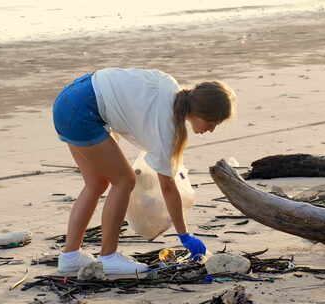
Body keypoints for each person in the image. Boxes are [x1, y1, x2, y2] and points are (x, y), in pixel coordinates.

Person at [52, 68, 236, 274]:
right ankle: (108, 257)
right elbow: (168, 187)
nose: (211, 130)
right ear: (201, 113)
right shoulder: (167, 126)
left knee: (96, 184)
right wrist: (184, 235)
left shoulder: (168, 84)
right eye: (213, 123)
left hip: (71, 98)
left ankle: (70, 256)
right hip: (83, 112)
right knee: (125, 181)